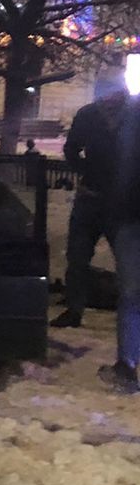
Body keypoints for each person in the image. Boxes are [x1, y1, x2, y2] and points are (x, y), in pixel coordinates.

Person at [53, 73, 126, 328]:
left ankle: (129, 315)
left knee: (127, 260)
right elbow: (71, 149)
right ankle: (74, 310)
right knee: (78, 258)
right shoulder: (89, 114)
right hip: (93, 197)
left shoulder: (133, 115)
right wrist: (87, 171)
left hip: (121, 201)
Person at [101, 87, 140, 394]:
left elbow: (124, 166)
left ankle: (126, 367)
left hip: (133, 216)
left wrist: (118, 208)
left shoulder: (134, 115)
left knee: (131, 294)